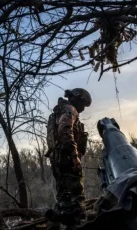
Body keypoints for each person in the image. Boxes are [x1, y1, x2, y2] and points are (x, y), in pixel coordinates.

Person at [45, 88, 92, 226]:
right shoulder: (69, 109)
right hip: (67, 160)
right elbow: (65, 129)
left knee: (64, 198)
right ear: (77, 99)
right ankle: (76, 224)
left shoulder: (58, 112)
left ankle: (58, 225)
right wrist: (74, 156)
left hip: (58, 160)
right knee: (76, 198)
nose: (83, 109)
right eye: (83, 105)